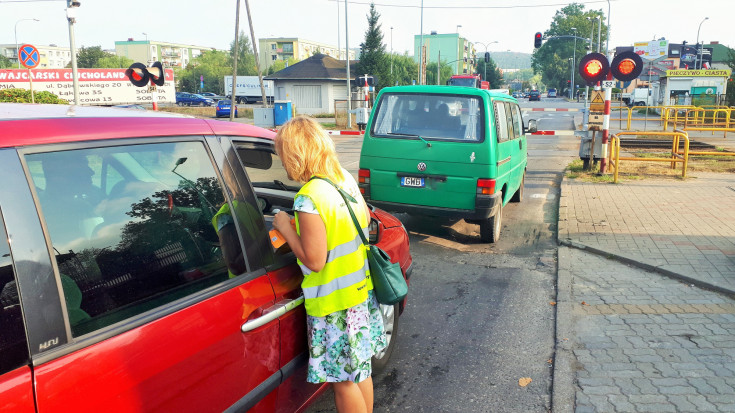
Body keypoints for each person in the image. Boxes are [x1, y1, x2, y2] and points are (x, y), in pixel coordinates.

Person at [272, 116, 386, 413]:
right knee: (360, 371)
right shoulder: (342, 180)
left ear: (296, 154)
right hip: (359, 294)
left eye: (284, 155)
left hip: (334, 305)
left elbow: (314, 260)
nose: (283, 162)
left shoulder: (308, 198)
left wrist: (285, 228)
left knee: (342, 382)